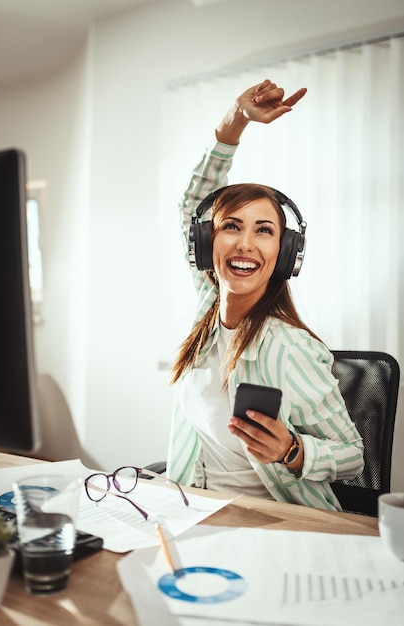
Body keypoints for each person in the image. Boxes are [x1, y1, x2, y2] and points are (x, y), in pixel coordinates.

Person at [166, 79, 364, 511]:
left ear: (285, 253)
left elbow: (352, 455)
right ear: (205, 243)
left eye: (264, 231)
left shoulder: (290, 347)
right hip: (191, 507)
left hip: (272, 521)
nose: (244, 244)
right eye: (231, 226)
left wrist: (293, 451)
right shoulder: (207, 309)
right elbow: (194, 202)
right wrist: (236, 118)